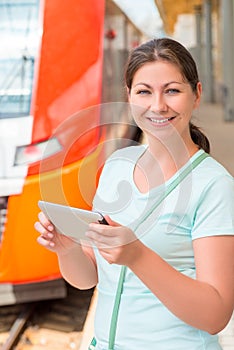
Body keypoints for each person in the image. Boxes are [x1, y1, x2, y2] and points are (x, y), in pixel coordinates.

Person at [34, 38, 234, 350]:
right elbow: (90, 276)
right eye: (144, 91)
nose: (157, 105)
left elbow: (216, 315)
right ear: (128, 97)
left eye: (172, 90)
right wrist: (67, 249)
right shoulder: (117, 167)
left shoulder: (214, 185)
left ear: (196, 95)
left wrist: (139, 257)